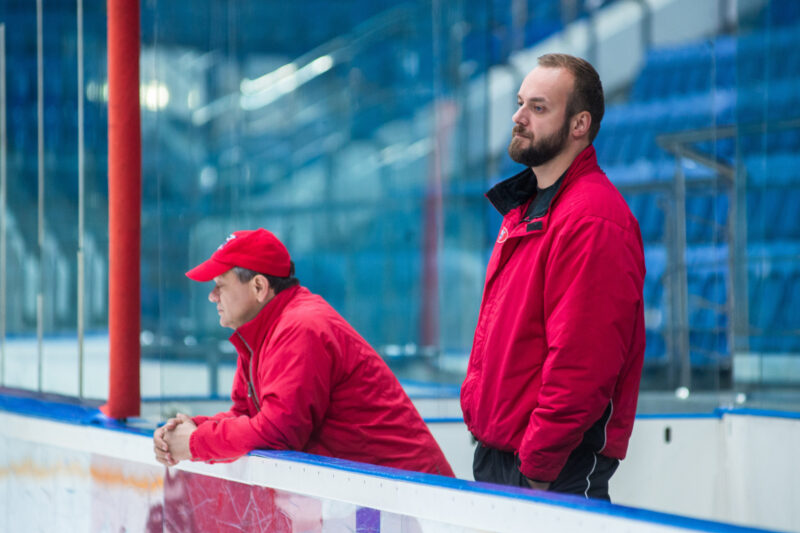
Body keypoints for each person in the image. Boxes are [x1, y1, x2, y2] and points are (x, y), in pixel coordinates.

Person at [460, 53, 645, 500]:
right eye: (521, 103)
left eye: (538, 108)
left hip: (551, 471)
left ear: (579, 124)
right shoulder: (526, 208)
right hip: (501, 457)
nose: (518, 117)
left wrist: (538, 471)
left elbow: (581, 366)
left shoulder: (594, 220)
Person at [153, 228, 454, 477]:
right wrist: (189, 430)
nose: (212, 295)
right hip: (377, 496)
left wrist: (193, 442)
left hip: (410, 496)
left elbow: (277, 432)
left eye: (219, 285)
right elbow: (245, 416)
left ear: (259, 286)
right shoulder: (262, 333)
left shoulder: (301, 327)